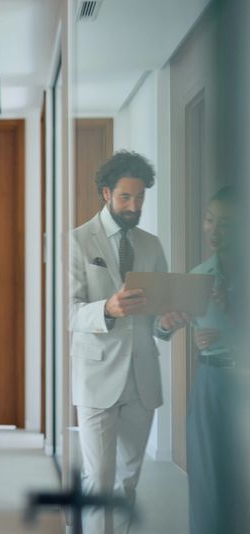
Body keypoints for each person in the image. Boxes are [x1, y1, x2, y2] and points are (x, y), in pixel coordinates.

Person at [69, 150, 189, 534]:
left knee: (126, 482)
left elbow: (158, 311)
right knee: (97, 480)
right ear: (106, 193)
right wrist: (108, 307)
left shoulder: (152, 245)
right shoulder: (76, 241)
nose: (133, 205)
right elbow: (66, 311)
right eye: (125, 197)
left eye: (139, 198)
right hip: (96, 375)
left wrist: (167, 323)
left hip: (142, 375)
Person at [186, 186, 249, 533]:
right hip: (210, 384)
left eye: (225, 223)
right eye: (210, 220)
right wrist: (175, 324)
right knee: (208, 481)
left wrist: (232, 311)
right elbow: (172, 326)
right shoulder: (198, 276)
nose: (214, 229)